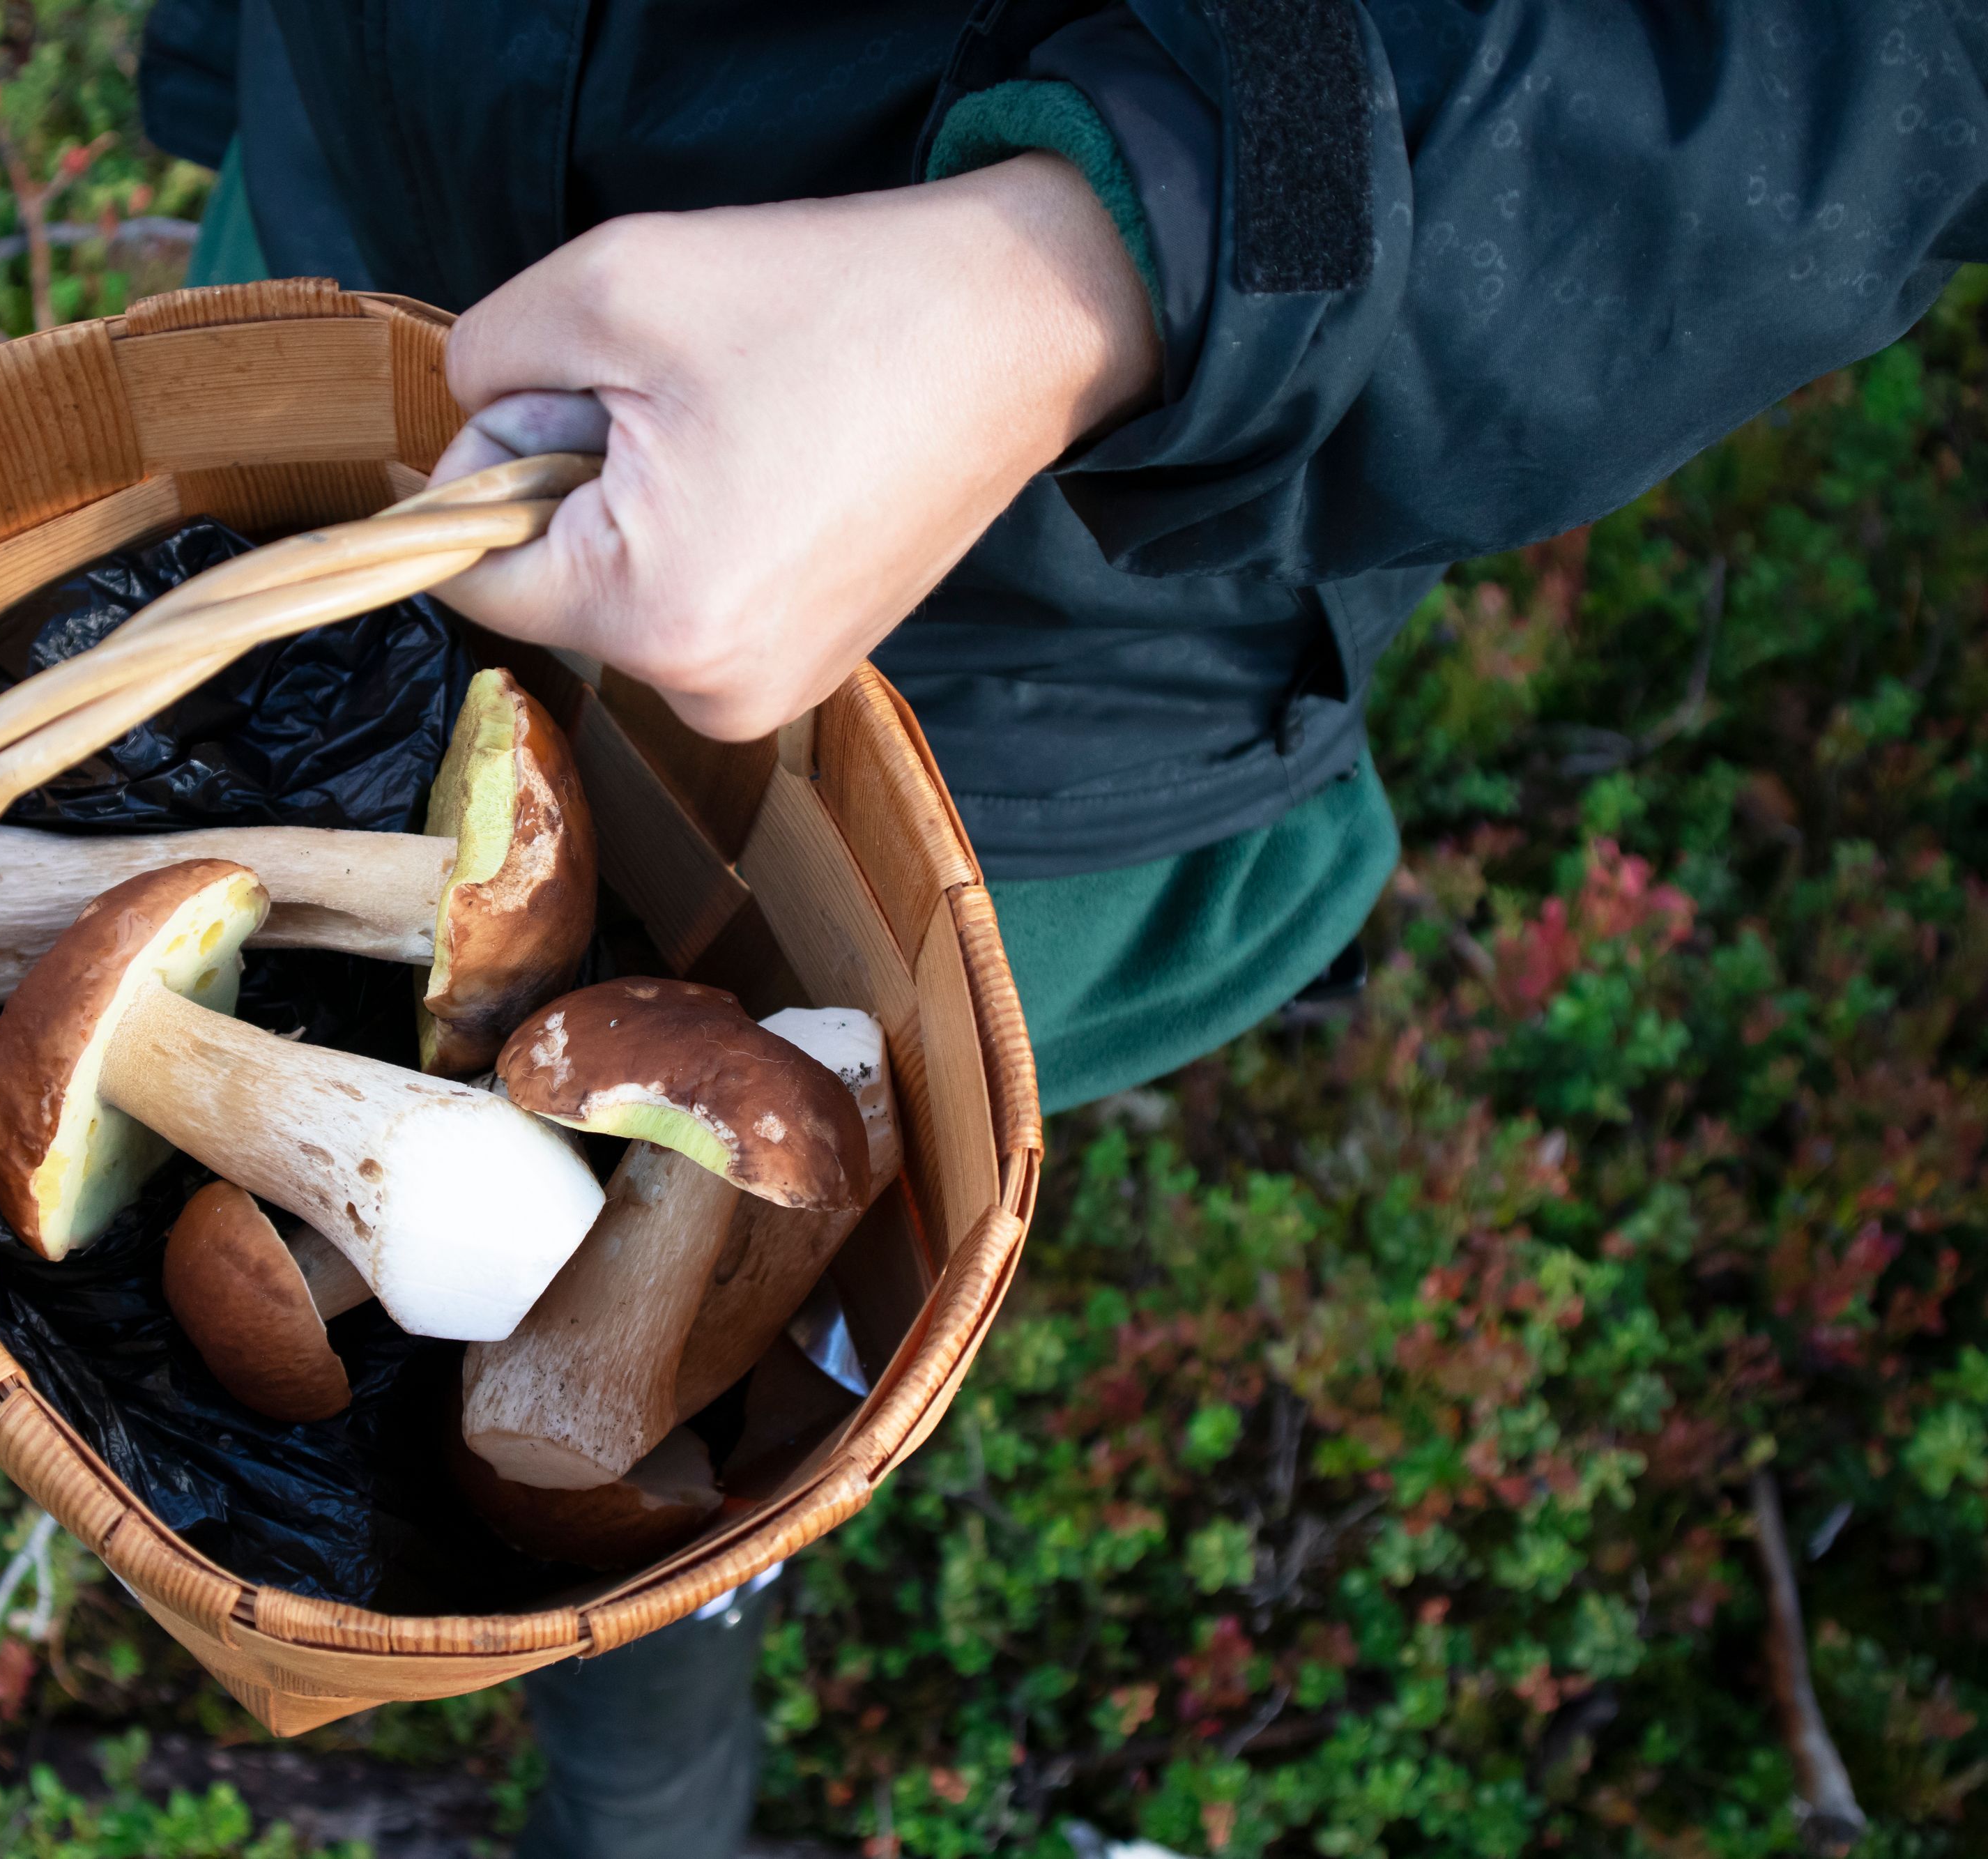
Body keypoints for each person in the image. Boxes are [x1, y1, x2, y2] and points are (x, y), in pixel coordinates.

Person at [135, 3, 1988, 1853]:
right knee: (359, 1043)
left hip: (1025, 629)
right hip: (379, 275)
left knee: (783, 1265)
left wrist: (1097, 263)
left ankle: (647, 1747)